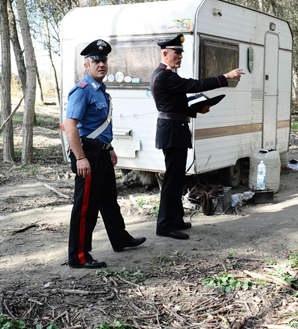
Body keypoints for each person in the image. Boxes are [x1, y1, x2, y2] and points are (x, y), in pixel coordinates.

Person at [150, 34, 244, 240]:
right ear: (165, 53)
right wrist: (224, 78)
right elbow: (193, 86)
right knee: (172, 181)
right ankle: (165, 225)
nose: (180, 57)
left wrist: (197, 109)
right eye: (177, 53)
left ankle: (174, 220)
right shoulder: (165, 75)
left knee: (176, 179)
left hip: (175, 129)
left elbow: (176, 104)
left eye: (181, 54)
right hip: (172, 132)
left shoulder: (165, 75)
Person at [64, 39, 146, 268]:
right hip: (87, 153)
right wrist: (80, 158)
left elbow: (99, 125)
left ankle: (120, 238)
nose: (101, 64)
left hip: (101, 152)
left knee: (109, 199)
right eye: (96, 61)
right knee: (85, 207)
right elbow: (70, 125)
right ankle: (79, 257)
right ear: (86, 65)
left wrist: (109, 148)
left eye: (104, 60)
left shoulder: (100, 91)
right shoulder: (82, 91)